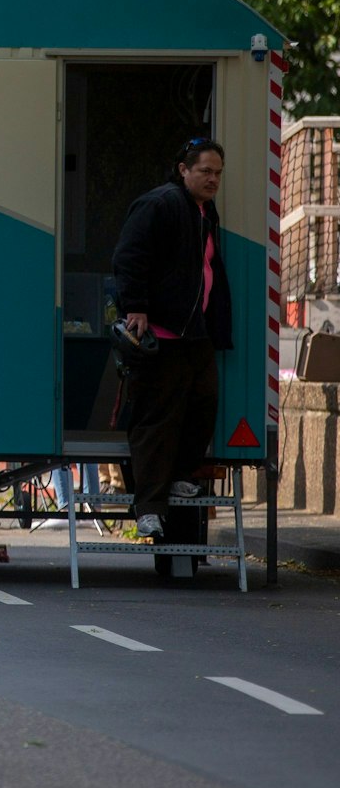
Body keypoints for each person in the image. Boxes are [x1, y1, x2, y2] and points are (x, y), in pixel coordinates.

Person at [112, 137, 234, 540]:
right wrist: (136, 307)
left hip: (194, 335)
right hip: (161, 334)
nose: (213, 179)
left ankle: (181, 476)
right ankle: (148, 508)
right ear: (183, 170)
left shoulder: (205, 212)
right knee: (156, 422)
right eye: (205, 171)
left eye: (218, 173)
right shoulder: (160, 204)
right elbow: (129, 256)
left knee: (203, 406)